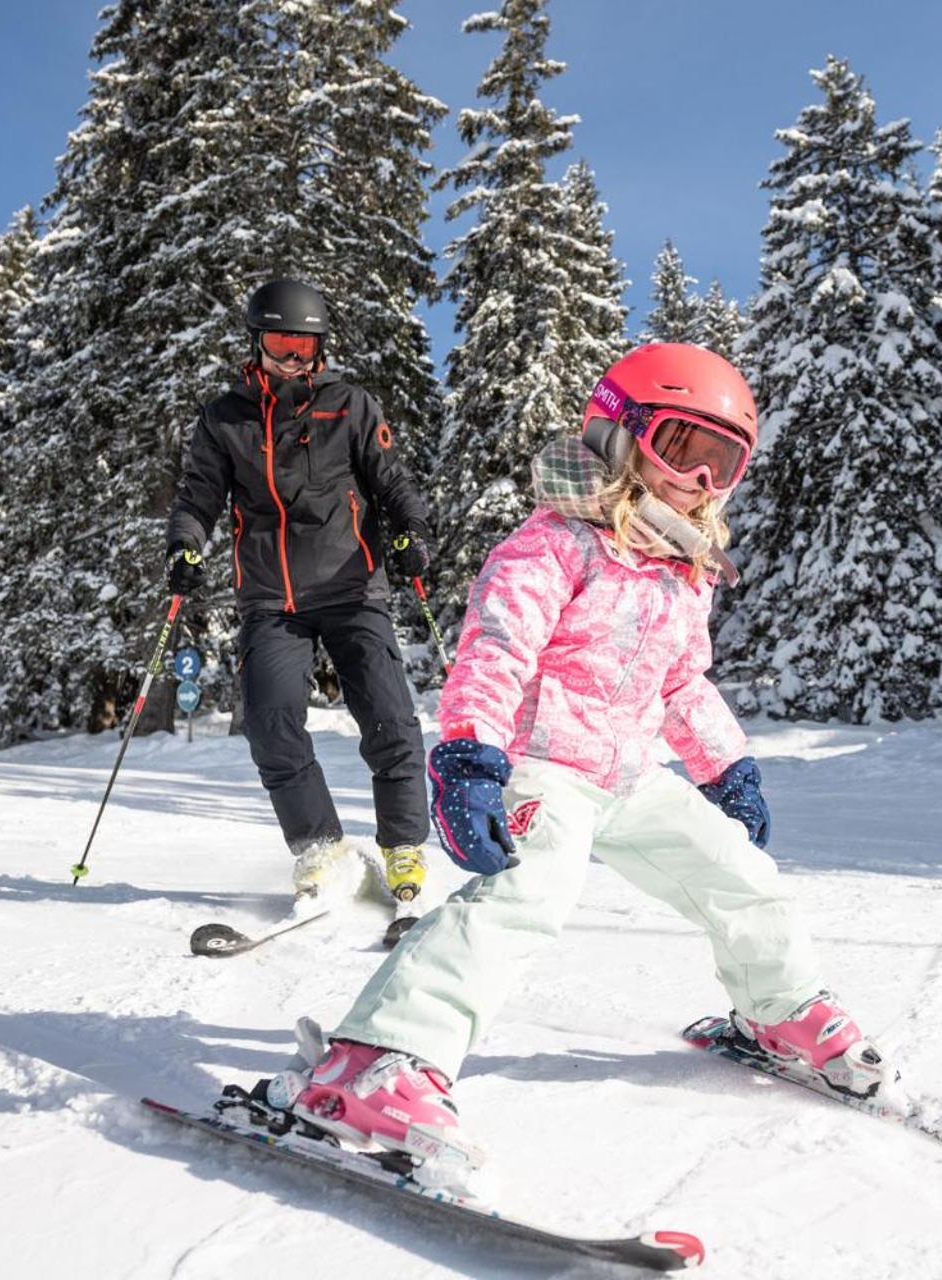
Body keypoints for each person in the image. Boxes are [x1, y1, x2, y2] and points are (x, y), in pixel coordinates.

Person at [255, 343, 895, 1191]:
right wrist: (470, 754)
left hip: (626, 775)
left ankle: (782, 1014)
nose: (701, 483)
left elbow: (680, 682)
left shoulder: (684, 571)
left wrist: (727, 769)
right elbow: (496, 648)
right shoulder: (553, 544)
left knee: (742, 876)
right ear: (621, 436)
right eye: (683, 451)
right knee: (528, 896)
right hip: (539, 764)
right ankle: (376, 1062)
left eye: (723, 464)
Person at [166, 279, 434, 926]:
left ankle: (403, 847)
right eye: (280, 343)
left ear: (320, 349)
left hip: (352, 587)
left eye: (304, 345)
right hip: (270, 597)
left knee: (390, 716)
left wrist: (410, 531)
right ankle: (319, 848)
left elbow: (392, 478)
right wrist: (185, 544)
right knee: (269, 720)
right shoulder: (224, 419)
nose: (292, 358)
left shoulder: (349, 406)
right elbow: (198, 495)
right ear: (256, 344)